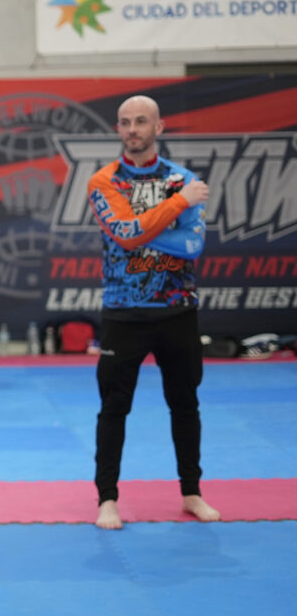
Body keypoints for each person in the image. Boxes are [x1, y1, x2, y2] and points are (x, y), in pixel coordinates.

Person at [87, 94, 221, 531]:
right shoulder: (104, 181)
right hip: (123, 312)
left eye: (141, 121)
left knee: (185, 404)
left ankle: (192, 492)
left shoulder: (184, 178)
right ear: (118, 129)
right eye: (125, 122)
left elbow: (192, 245)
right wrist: (176, 207)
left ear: (158, 127)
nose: (133, 129)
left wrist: (140, 230)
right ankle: (107, 499)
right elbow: (124, 235)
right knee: (113, 408)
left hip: (177, 309)